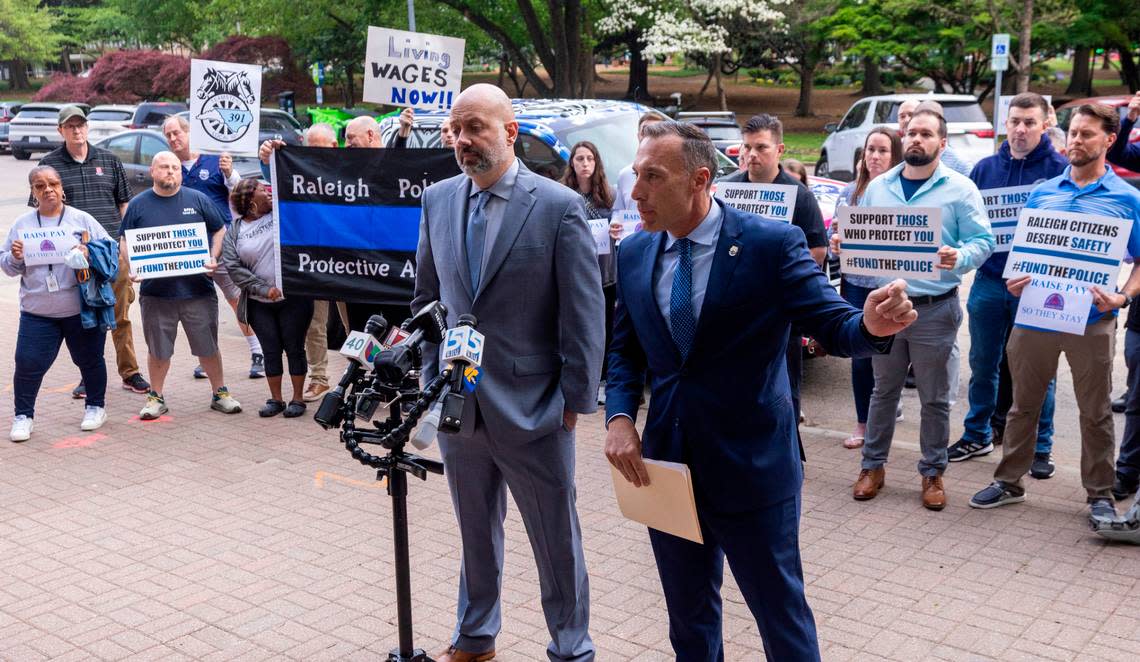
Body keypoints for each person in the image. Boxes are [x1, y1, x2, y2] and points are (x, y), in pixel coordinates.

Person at [604, 120, 916, 661]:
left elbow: (832, 322)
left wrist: (870, 328)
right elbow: (625, 353)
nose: (636, 193)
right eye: (636, 175)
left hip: (752, 467)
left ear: (700, 179)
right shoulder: (634, 253)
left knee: (780, 617)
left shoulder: (770, 245)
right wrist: (619, 419)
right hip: (668, 469)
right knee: (689, 621)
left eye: (653, 177)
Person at [414, 83, 604, 662]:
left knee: (555, 541)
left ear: (510, 131)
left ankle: (571, 647)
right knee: (475, 531)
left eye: (477, 128)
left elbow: (583, 312)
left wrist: (575, 399)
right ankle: (475, 636)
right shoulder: (438, 199)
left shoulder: (557, 206)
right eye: (456, 130)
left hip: (535, 408)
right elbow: (427, 299)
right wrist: (430, 379)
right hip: (457, 406)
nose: (464, 141)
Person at [970, 104, 1140, 525]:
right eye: (1074, 133)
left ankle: (1099, 493)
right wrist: (1016, 280)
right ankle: (1010, 481)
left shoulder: (1128, 198)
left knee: (1095, 410)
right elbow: (1027, 254)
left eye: (1087, 134)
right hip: (1034, 316)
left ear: (1109, 140)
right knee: (1022, 405)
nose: (1077, 141)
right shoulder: (1043, 192)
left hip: (1092, 319)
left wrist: (1121, 297)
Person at [834, 109, 994, 510]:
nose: (916, 140)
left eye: (926, 133)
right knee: (882, 391)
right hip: (887, 306)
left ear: (942, 142)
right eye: (911, 133)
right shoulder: (880, 186)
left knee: (935, 398)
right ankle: (872, 467)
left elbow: (983, 241)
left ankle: (932, 472)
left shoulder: (960, 188)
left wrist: (958, 256)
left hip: (934, 309)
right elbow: (866, 239)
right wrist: (845, 247)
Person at [947, 93, 1067, 477]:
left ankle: (1040, 446)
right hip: (989, 280)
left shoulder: (1060, 170)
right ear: (1005, 123)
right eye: (1015, 121)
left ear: (1045, 123)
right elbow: (965, 224)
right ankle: (977, 433)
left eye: (1029, 122)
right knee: (982, 363)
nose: (1020, 129)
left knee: (1038, 371)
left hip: (1037, 286)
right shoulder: (983, 169)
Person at [718, 113, 828, 450]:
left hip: (780, 312)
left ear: (779, 150)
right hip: (734, 309)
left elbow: (818, 251)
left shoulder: (798, 196)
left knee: (784, 387)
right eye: (746, 147)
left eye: (761, 148)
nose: (751, 155)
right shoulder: (727, 189)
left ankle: (788, 451)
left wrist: (777, 275)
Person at [35, 105, 150, 398]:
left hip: (111, 253)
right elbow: (42, 212)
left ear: (87, 127)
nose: (77, 130)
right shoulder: (49, 166)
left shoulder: (109, 160)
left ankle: (130, 373)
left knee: (120, 315)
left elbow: (125, 206)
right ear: (60, 130)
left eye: (81, 124)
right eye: (70, 126)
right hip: (76, 259)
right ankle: (89, 375)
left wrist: (129, 250)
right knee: (86, 318)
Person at [120, 152, 242, 419]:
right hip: (156, 293)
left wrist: (213, 256)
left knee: (208, 346)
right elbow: (125, 240)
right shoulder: (139, 205)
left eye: (175, 167)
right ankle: (156, 397)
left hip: (197, 290)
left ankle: (220, 393)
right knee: (158, 349)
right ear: (153, 171)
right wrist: (132, 267)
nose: (171, 172)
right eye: (164, 167)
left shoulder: (197, 199)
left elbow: (220, 228)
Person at [2, 166, 115, 441]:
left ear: (62, 188)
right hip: (37, 312)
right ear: (33, 192)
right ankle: (23, 416)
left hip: (81, 309)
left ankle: (95, 407)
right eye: (40, 186)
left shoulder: (81, 219)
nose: (48, 189)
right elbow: (7, 266)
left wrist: (90, 251)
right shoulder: (23, 224)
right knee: (27, 363)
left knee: (90, 360)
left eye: (53, 183)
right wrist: (16, 256)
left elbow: (111, 251)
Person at [161, 115, 265, 381]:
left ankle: (259, 352)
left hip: (221, 242)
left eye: (177, 133)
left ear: (189, 133)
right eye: (168, 135)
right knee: (199, 304)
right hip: (188, 245)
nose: (173, 139)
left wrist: (229, 172)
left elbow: (239, 190)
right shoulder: (171, 168)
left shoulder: (213, 160)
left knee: (236, 298)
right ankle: (207, 357)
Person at [259, 123, 349, 403]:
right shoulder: (302, 167)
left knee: (357, 326)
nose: (312, 152)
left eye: (318, 146)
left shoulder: (352, 167)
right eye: (308, 146)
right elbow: (277, 183)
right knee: (315, 323)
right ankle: (319, 378)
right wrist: (269, 161)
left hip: (352, 261)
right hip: (315, 261)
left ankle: (365, 377)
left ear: (334, 146)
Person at [831, 128, 903, 449]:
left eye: (882, 151)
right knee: (861, 357)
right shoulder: (848, 194)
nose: (874, 156)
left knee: (890, 359)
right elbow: (837, 248)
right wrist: (837, 245)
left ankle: (884, 418)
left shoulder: (904, 194)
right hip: (856, 287)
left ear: (895, 157)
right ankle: (863, 423)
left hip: (890, 287)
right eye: (870, 150)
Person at [222, 179, 313, 418]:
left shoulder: (282, 215)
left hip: (293, 298)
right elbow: (232, 266)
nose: (269, 192)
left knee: (294, 348)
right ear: (252, 200)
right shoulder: (235, 230)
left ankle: (297, 398)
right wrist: (263, 289)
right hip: (258, 303)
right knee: (270, 349)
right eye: (263, 190)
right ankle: (276, 399)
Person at [561, 141, 620, 406]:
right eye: (579, 159)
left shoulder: (610, 195)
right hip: (575, 273)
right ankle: (584, 378)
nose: (585, 164)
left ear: (597, 163)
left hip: (605, 274)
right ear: (571, 163)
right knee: (578, 327)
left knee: (605, 327)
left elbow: (625, 224)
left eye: (589, 159)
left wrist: (616, 230)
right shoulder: (564, 195)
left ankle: (604, 380)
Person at [896, 99, 973, 176]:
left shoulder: (961, 166)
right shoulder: (893, 154)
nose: (906, 120)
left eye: (926, 134)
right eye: (912, 133)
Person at [612, 113, 664, 212]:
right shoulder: (625, 174)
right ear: (638, 135)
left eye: (656, 131)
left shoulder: (673, 174)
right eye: (645, 131)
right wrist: (615, 222)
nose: (649, 136)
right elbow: (618, 211)